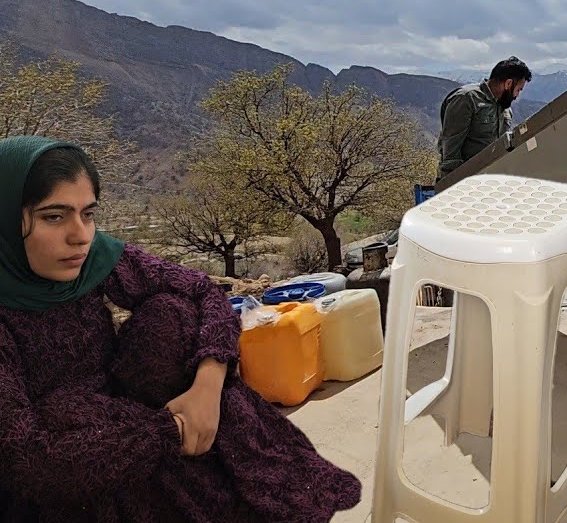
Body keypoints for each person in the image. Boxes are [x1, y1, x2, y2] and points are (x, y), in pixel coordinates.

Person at [0, 136, 361, 521]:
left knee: (171, 313)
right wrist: (171, 431)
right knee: (69, 413)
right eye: (54, 216)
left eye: (87, 214)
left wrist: (208, 385)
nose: (81, 235)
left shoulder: (93, 259)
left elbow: (204, 291)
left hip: (132, 412)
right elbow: (28, 461)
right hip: (70, 473)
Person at [435, 56, 534, 181]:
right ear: (508, 84)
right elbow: (450, 152)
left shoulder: (505, 108)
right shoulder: (466, 99)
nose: (517, 95)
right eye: (518, 89)